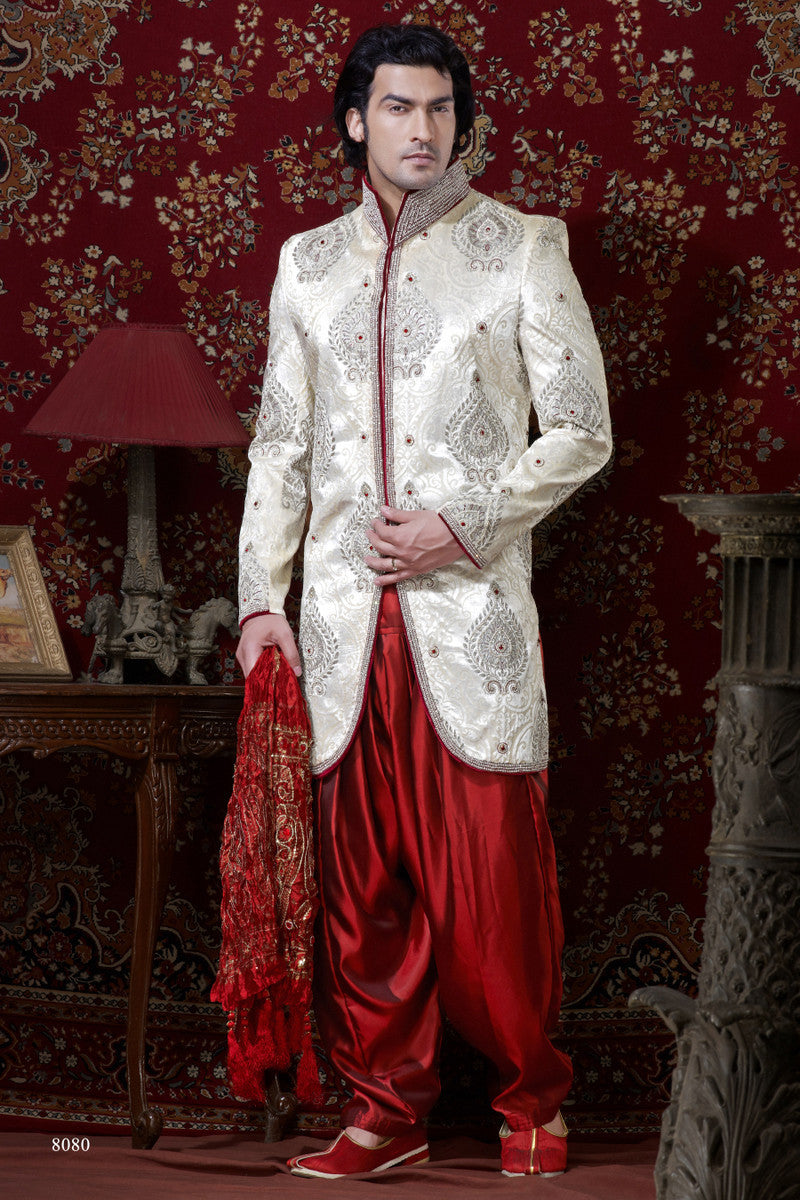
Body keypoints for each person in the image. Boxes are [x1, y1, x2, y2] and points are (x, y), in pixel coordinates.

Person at [236, 22, 612, 1180]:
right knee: (362, 894)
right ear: (356, 121)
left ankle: (529, 1100)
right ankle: (382, 1110)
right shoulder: (306, 264)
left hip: (469, 613)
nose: (422, 128)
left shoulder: (521, 246)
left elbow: (581, 430)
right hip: (342, 623)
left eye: (440, 108)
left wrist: (465, 523)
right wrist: (258, 601)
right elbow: (280, 445)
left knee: (491, 885)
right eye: (398, 107)